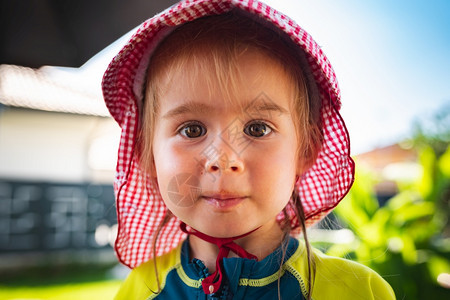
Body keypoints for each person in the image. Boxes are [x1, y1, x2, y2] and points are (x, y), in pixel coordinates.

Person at [102, 0, 396, 299]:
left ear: (307, 150)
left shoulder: (359, 291)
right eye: (192, 130)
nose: (222, 159)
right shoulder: (139, 291)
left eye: (257, 128)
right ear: (146, 154)